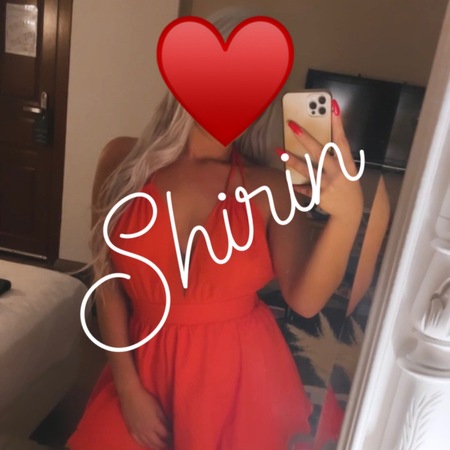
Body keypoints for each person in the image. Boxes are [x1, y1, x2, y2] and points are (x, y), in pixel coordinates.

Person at [67, 11, 363, 450]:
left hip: (236, 382)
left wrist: (348, 216)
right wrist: (127, 389)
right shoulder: (124, 163)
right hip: (141, 370)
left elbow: (304, 300)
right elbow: (107, 281)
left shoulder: (270, 187)